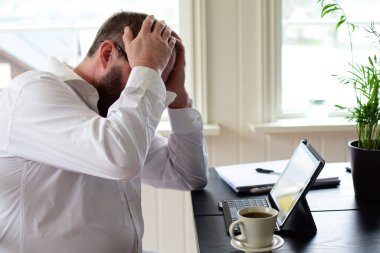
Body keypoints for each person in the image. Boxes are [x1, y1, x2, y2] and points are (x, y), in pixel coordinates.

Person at [0, 11, 208, 253]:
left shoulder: (115, 115)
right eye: (144, 72)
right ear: (108, 53)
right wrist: (149, 71)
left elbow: (188, 176)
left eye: (160, 79)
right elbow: (121, 159)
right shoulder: (31, 93)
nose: (151, 85)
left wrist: (178, 98)